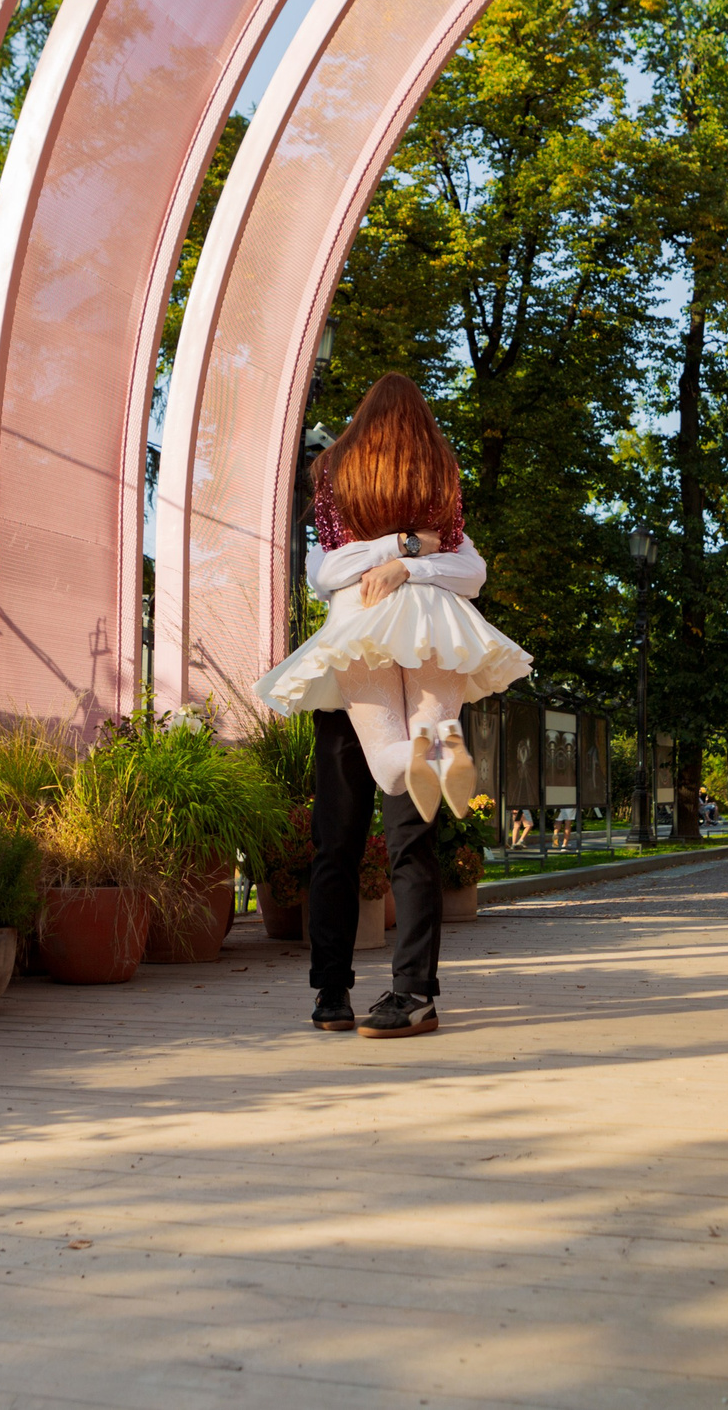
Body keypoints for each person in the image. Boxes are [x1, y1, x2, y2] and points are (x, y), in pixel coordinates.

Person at [259, 374, 532, 1039]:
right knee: (412, 839)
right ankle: (413, 990)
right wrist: (411, 548)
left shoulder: (336, 474)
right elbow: (467, 571)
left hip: (354, 656)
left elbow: (327, 573)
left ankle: (333, 991)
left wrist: (395, 563)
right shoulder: (438, 476)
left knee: (337, 840)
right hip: (425, 648)